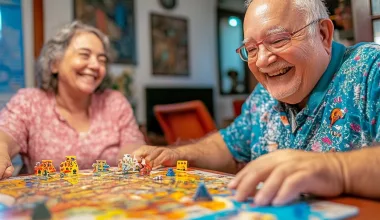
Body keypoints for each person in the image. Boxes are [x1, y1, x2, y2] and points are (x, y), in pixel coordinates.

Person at [133, 0, 380, 206]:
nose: (261, 61)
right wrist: (178, 154)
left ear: (323, 34)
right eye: (251, 49)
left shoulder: (371, 68)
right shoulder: (264, 94)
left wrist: (338, 170)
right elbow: (228, 146)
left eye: (277, 40)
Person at [0, 21, 145, 179]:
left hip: (108, 200)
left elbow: (133, 146)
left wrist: (138, 158)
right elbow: (6, 135)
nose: (96, 65)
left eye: (102, 60)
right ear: (55, 64)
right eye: (84, 55)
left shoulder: (115, 102)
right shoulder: (29, 101)